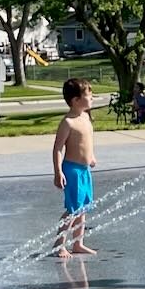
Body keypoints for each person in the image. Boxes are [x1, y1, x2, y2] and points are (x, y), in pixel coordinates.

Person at [51, 77, 97, 257]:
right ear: (75, 100)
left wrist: (91, 156)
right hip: (72, 171)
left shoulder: (85, 116)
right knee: (72, 209)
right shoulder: (68, 122)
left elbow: (86, 141)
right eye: (89, 95)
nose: (92, 98)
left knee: (83, 208)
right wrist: (58, 172)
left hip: (85, 170)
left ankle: (78, 243)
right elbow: (57, 149)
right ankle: (59, 245)